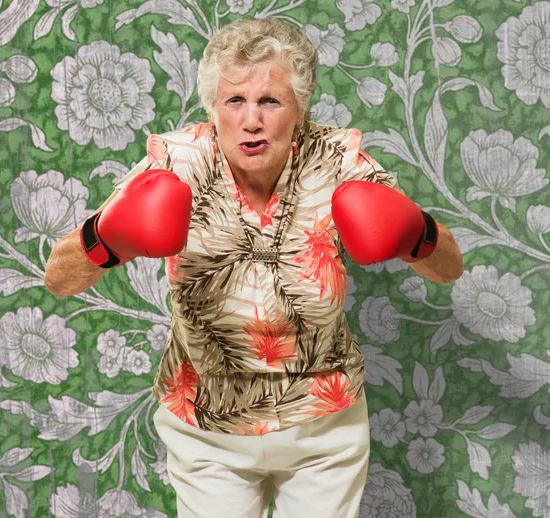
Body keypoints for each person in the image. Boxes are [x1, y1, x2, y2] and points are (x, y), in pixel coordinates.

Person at [44, 17, 463, 518]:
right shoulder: (175, 163)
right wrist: (106, 239)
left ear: (300, 107)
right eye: (234, 101)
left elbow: (449, 268)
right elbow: (59, 278)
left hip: (323, 423)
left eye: (270, 101)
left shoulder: (337, 161)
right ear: (212, 107)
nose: (251, 120)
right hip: (206, 426)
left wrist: (416, 233)